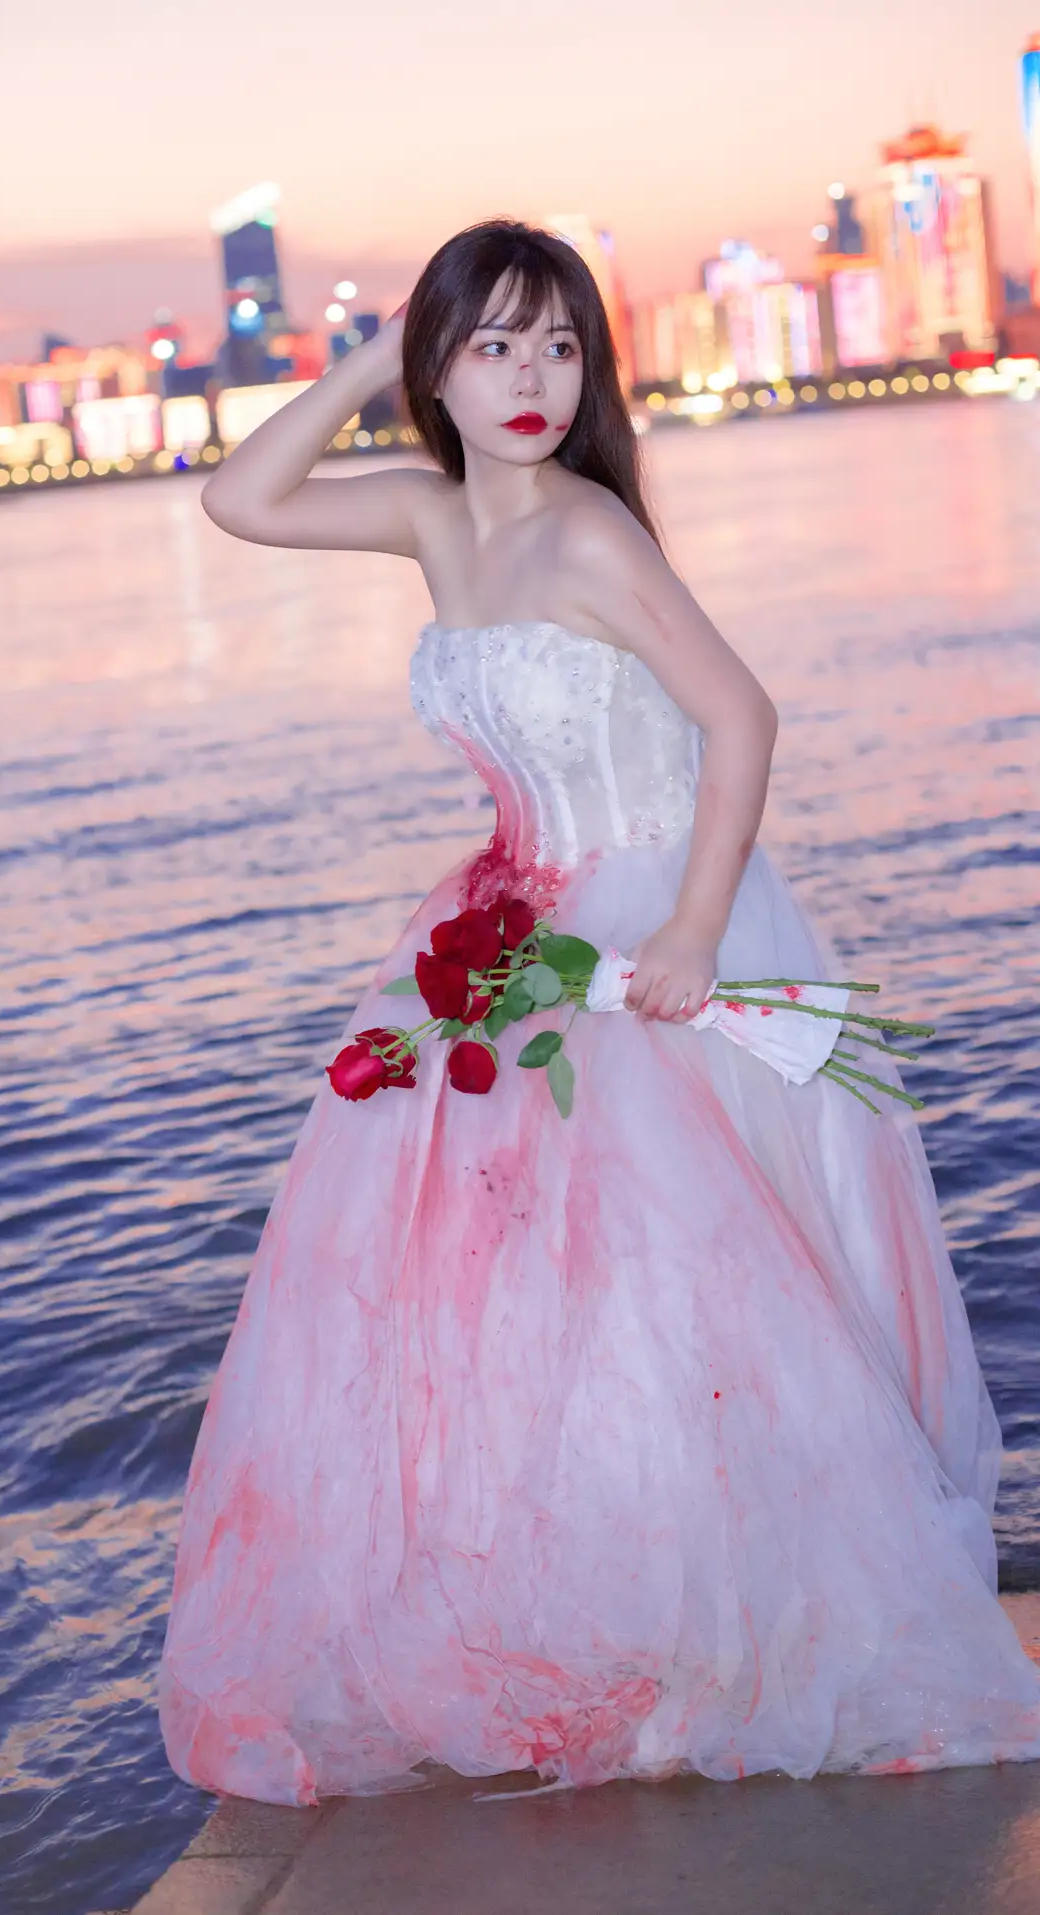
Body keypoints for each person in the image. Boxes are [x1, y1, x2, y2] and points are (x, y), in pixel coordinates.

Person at [158, 219, 1040, 1805]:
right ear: (437, 367)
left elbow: (740, 713)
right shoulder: (433, 515)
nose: (534, 377)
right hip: (513, 925)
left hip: (650, 922)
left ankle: (718, 1627)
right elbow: (241, 498)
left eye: (560, 344)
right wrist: (367, 357)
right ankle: (582, 1617)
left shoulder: (587, 533)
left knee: (670, 1289)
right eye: (493, 343)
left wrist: (692, 927)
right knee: (505, 1296)